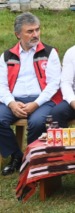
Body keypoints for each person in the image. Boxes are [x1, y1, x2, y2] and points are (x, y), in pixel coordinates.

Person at [0, 13, 62, 176]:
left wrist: (35, 104)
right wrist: (11, 103)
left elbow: (54, 84)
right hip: (15, 100)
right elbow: (1, 85)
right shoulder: (7, 56)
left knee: (37, 122)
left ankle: (33, 159)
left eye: (37, 30)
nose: (35, 34)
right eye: (30, 31)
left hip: (44, 100)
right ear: (18, 34)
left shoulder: (50, 52)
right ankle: (17, 156)